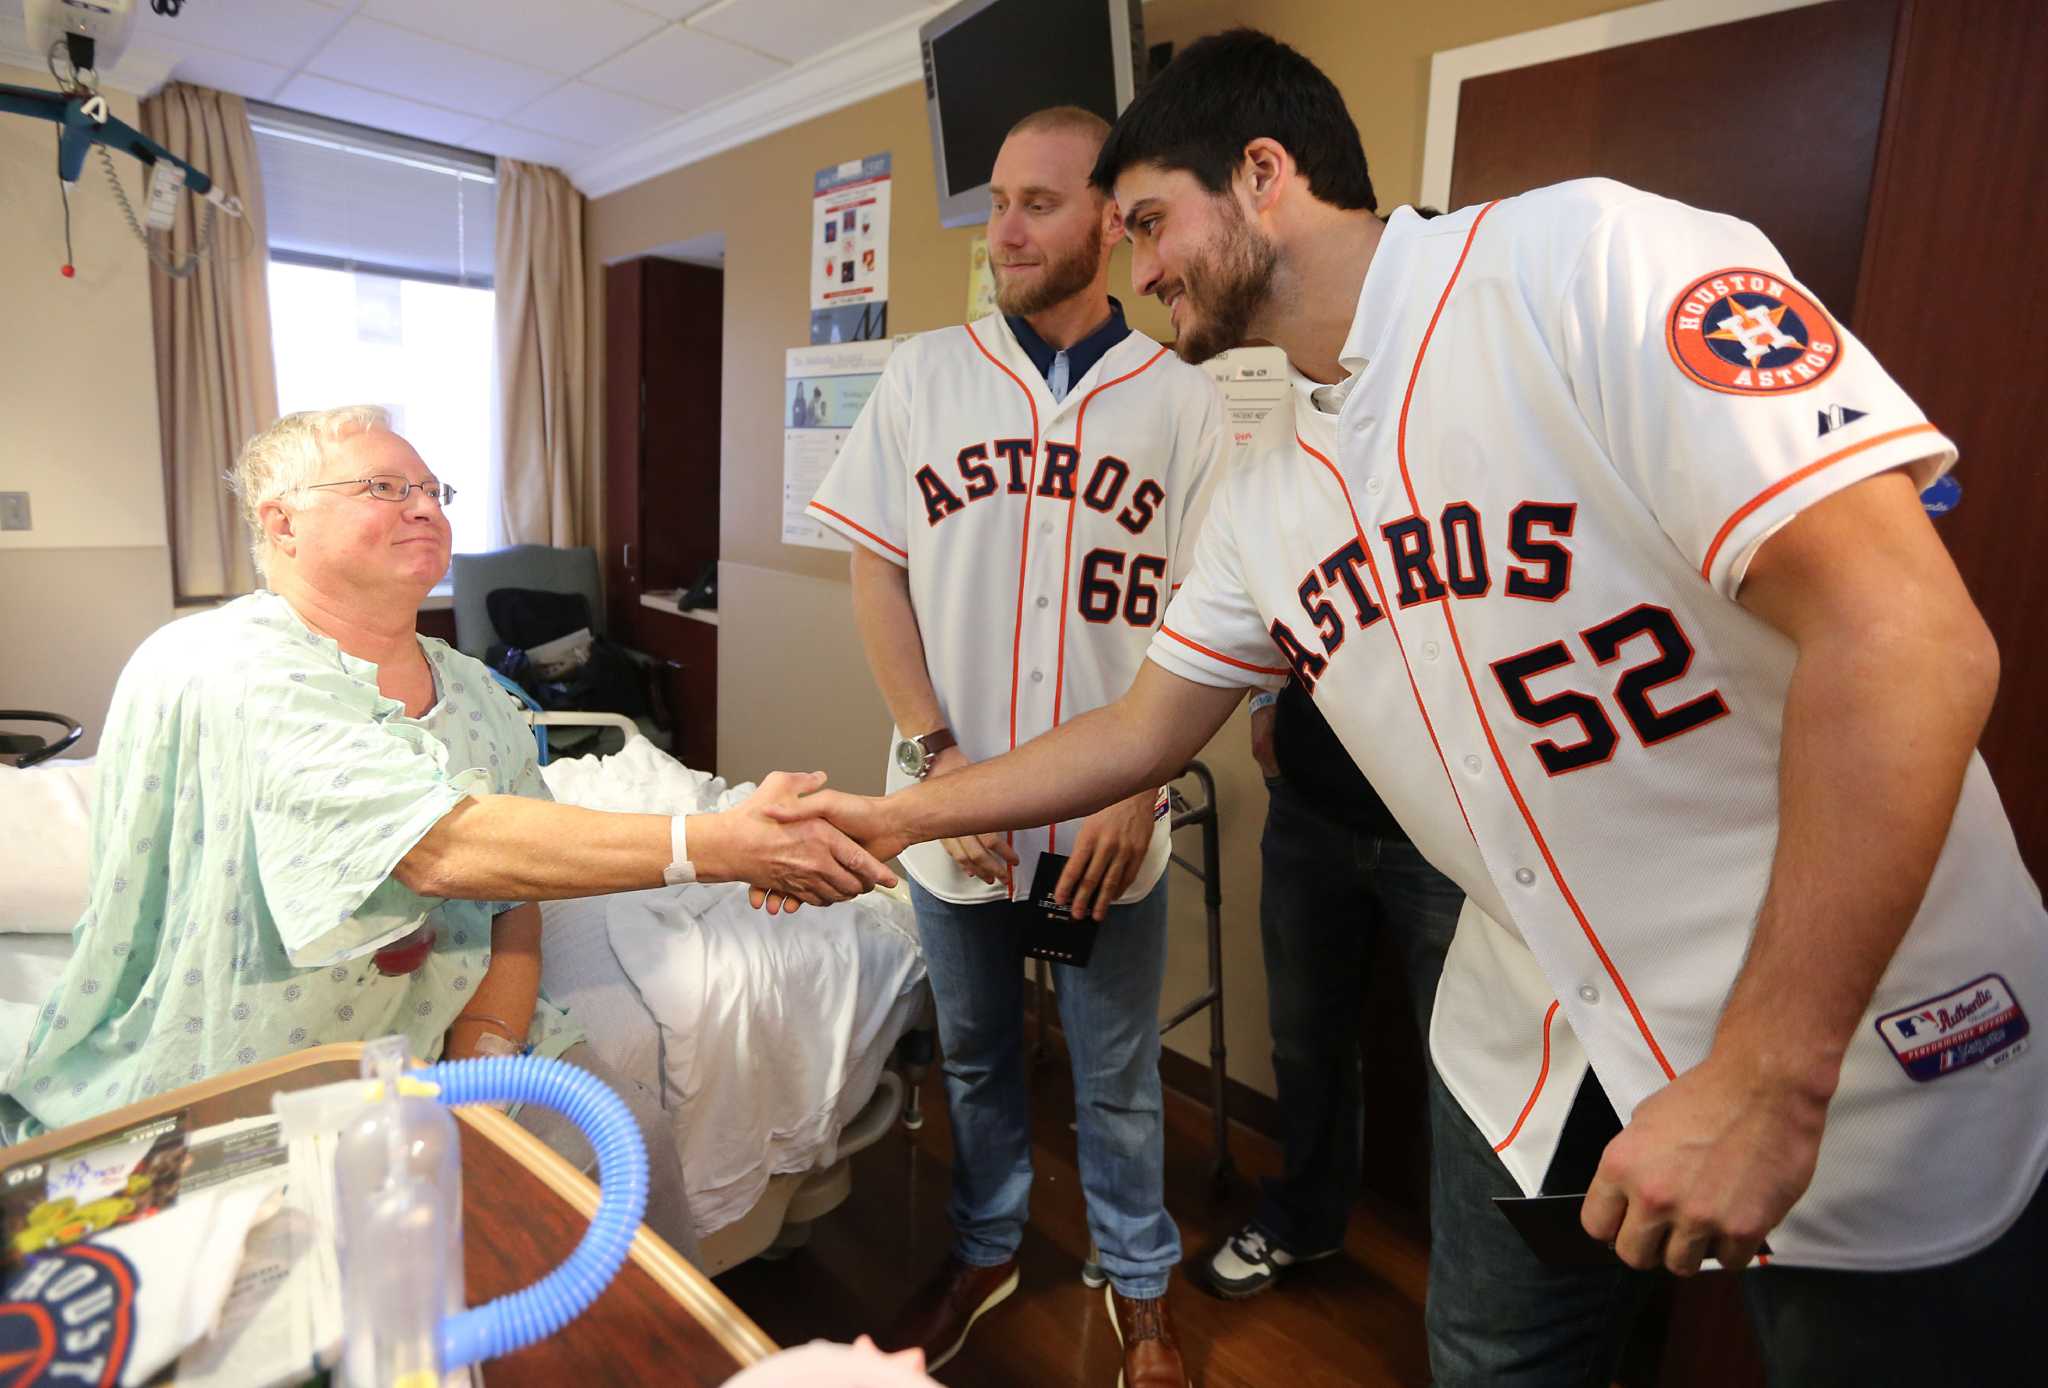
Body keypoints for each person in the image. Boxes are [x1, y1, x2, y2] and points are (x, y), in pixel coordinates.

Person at [783, 30, 2048, 1386]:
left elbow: (1909, 636)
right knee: (1493, 1361)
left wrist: (1768, 1074)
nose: (1138, 271)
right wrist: (896, 812)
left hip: (1840, 1043)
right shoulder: (1268, 469)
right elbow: (1139, 731)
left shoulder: (1587, 265)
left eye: (1148, 222)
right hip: (1533, 1051)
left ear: (1263, 175)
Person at [0, 406, 894, 1261]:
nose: (425, 507)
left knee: (631, 1136)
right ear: (282, 523)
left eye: (433, 490)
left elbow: (517, 878)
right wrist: (721, 841)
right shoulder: (224, 662)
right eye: (384, 489)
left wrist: (493, 1034)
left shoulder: (474, 692)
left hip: (445, 1023)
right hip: (252, 1052)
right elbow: (440, 845)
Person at [806, 106, 1228, 1386]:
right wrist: (940, 766)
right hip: (952, 813)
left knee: (1115, 1075)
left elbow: (1215, 608)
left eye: (1037, 203)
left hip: (1109, 826)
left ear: (1110, 219)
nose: (1003, 230)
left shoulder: (1183, 398)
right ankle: (984, 1247)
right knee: (978, 1053)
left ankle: (1137, 1282)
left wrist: (1142, 779)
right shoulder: (927, 374)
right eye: (996, 203)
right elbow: (876, 577)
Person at [1201, 677, 1462, 1299]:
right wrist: (1264, 704)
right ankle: (1306, 1220)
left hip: (1451, 829)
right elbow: (1262, 589)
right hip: (1310, 807)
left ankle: (1475, 1298)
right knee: (1304, 1038)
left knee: (1468, 1073)